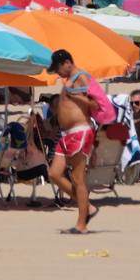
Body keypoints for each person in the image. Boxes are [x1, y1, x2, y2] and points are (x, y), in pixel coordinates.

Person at [46, 49, 99, 234]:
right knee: (54, 173)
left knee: (78, 179)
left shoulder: (81, 76)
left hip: (80, 131)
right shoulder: (69, 80)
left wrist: (75, 97)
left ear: (67, 62)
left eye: (58, 69)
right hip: (66, 133)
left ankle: (81, 224)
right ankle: (88, 208)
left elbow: (96, 104)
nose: (58, 73)